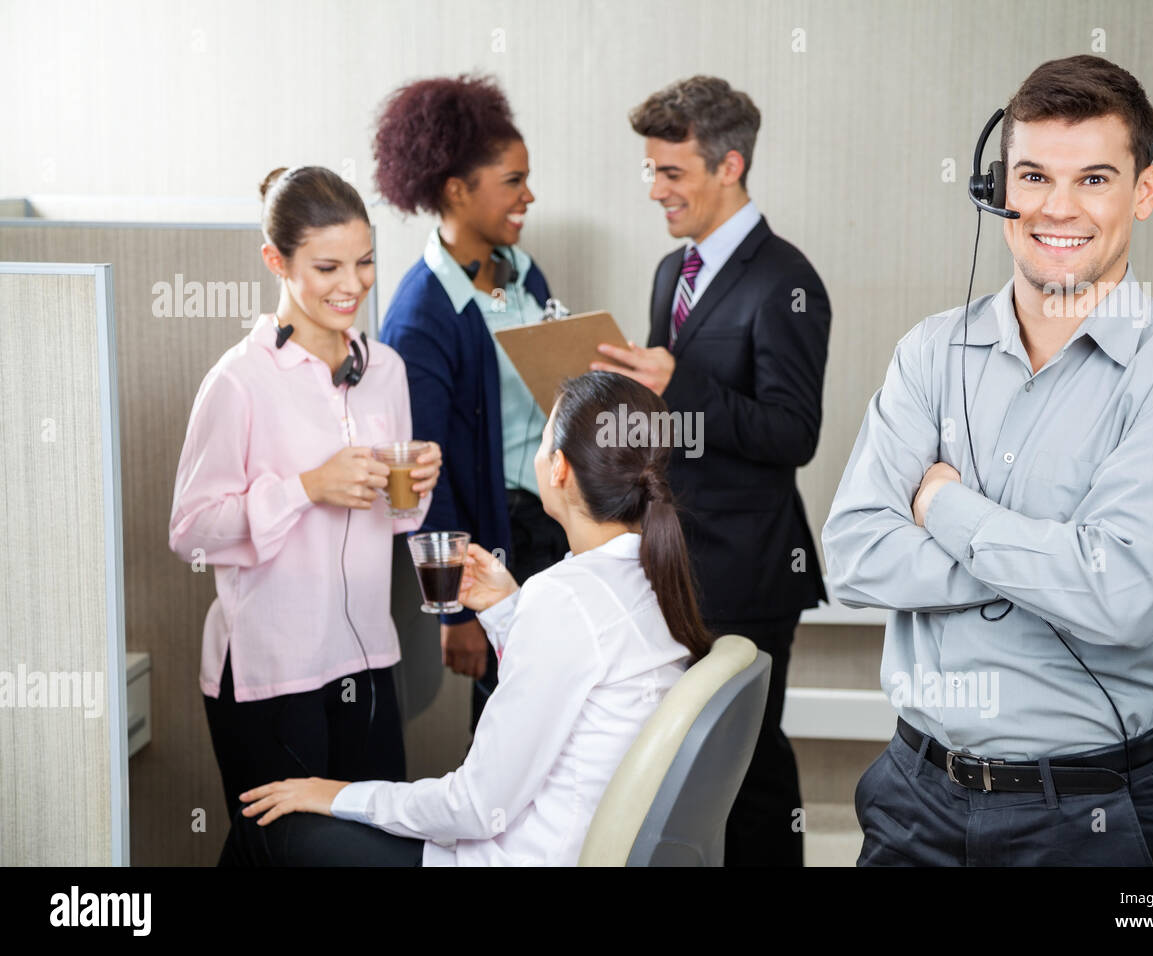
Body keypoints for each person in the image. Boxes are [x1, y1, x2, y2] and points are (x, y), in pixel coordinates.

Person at [822, 55, 1153, 866]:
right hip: (913, 794)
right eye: (1033, 176)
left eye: (1093, 178)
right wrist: (1059, 558)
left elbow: (1120, 599)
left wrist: (945, 509)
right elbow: (852, 555)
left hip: (1094, 813)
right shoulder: (928, 353)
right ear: (998, 190)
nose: (1058, 208)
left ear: (1143, 191)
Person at [226, 371, 712, 866]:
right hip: (568, 840)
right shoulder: (647, 577)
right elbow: (580, 678)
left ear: (559, 469)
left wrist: (339, 794)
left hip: (517, 856)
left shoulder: (566, 598)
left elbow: (476, 808)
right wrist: (508, 609)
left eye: (543, 442)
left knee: (261, 829)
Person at [168, 165, 442, 865]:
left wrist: (417, 487)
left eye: (365, 261)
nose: (352, 284)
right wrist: (307, 486)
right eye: (326, 266)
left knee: (374, 848)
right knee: (282, 853)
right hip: (271, 669)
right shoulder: (239, 380)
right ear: (276, 261)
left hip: (369, 656)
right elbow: (192, 531)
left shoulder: (385, 369)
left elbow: (400, 523)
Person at [592, 76, 831, 867]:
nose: (655, 190)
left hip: (752, 569)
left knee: (750, 766)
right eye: (650, 171)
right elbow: (680, 424)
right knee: (686, 765)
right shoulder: (673, 273)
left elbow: (794, 433)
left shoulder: (786, 283)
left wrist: (677, 384)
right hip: (678, 561)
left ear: (730, 167)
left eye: (672, 173)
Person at [374, 74, 569, 733]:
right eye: (513, 180)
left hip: (553, 534)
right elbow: (422, 482)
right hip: (496, 551)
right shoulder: (420, 319)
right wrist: (456, 611)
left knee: (558, 723)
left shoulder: (522, 270)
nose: (528, 195)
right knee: (508, 731)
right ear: (457, 190)